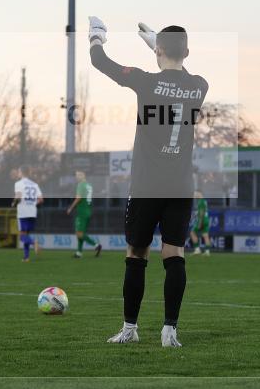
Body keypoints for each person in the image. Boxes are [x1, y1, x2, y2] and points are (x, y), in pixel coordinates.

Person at [89, 18, 208, 348]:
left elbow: (99, 61)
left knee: (136, 255)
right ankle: (170, 331)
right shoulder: (199, 85)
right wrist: (158, 43)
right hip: (180, 187)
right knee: (175, 254)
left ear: (158, 51)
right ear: (187, 51)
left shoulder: (145, 81)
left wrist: (97, 35)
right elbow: (181, 74)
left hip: (145, 186)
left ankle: (130, 329)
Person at [66, 170, 102, 258]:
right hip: (88, 210)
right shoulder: (89, 185)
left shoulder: (81, 185)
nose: (76, 177)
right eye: (76, 175)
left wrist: (71, 208)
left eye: (78, 175)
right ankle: (79, 252)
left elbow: (78, 198)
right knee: (81, 232)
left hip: (82, 212)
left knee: (79, 233)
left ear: (83, 175)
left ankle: (96, 245)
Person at [11, 166, 43, 262]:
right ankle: (26, 257)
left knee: (22, 236)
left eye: (18, 172)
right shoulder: (35, 184)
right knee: (26, 234)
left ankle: (34, 243)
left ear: (21, 172)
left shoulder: (18, 183)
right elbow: (41, 200)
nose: (18, 174)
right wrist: (33, 204)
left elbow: (18, 197)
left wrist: (13, 203)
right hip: (32, 212)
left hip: (23, 212)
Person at [189, 190, 211, 256]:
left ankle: (197, 249)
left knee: (192, 233)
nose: (195, 195)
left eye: (196, 194)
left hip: (202, 220)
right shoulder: (204, 201)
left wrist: (199, 223)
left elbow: (201, 213)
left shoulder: (201, 201)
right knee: (205, 235)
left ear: (200, 194)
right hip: (206, 219)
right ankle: (207, 251)